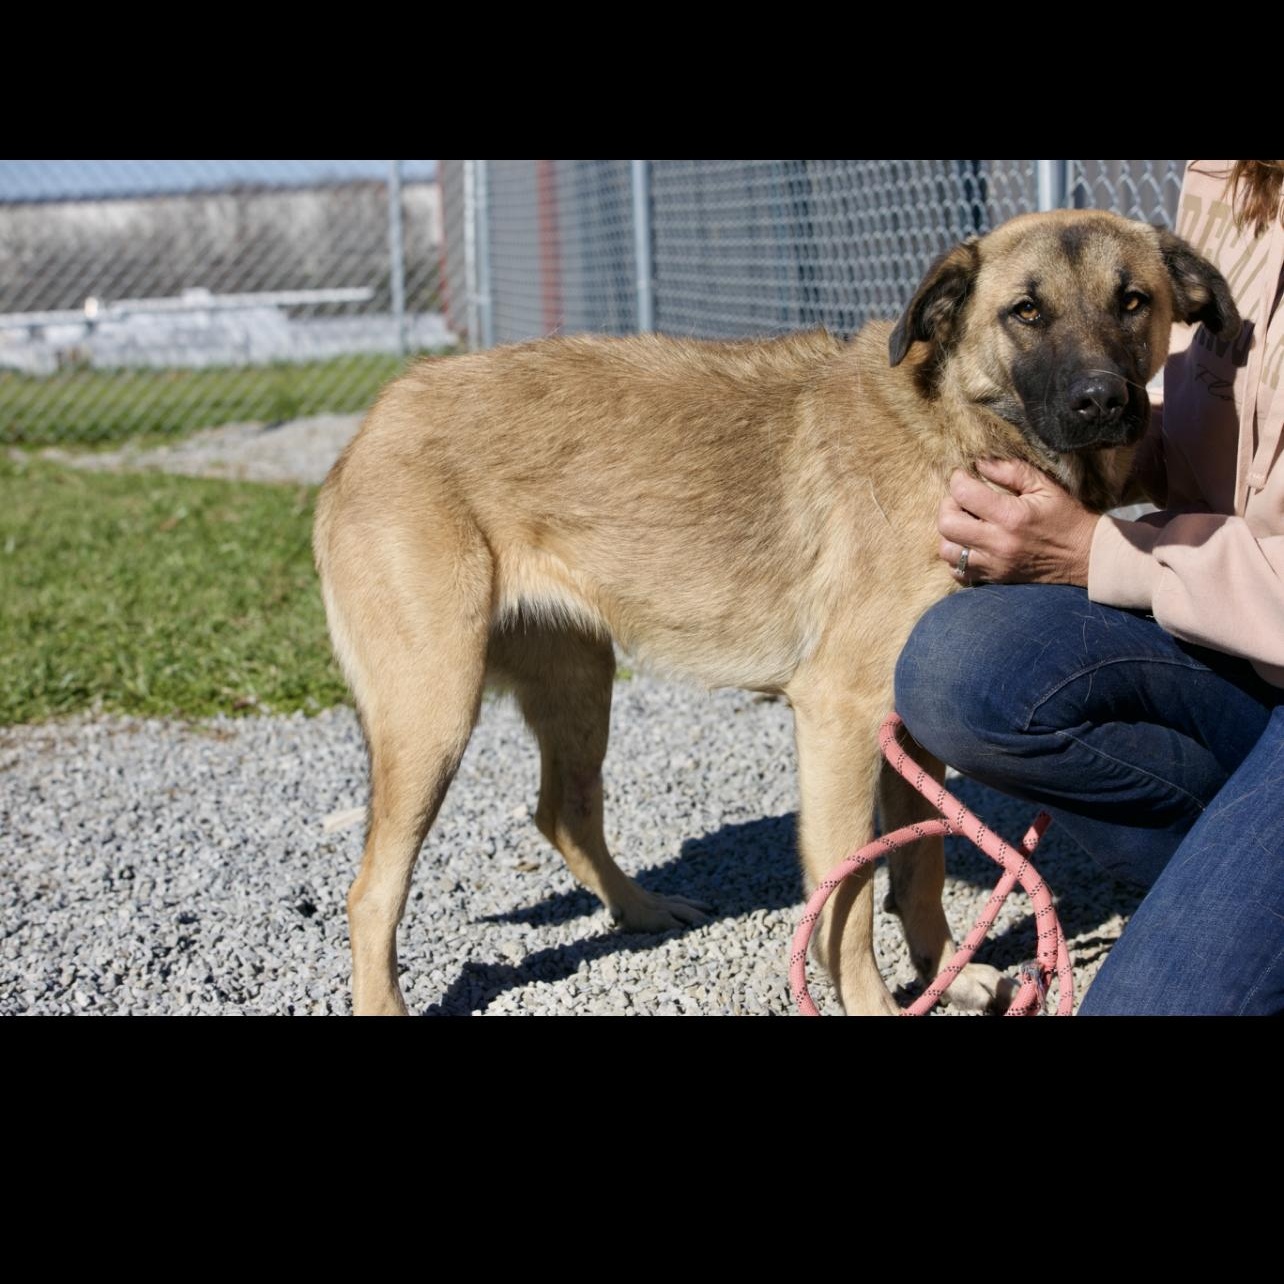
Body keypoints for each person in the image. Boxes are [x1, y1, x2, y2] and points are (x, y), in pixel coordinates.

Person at [893, 160, 1284, 1015]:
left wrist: (1095, 552)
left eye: (1127, 305)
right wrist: (1069, 466)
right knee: (956, 666)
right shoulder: (1233, 176)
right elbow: (1208, 442)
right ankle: (1226, 883)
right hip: (1245, 648)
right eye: (1032, 314)